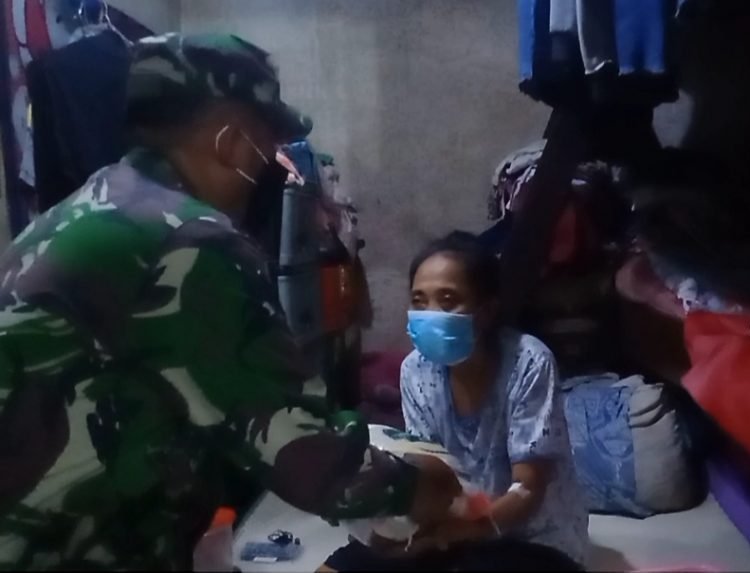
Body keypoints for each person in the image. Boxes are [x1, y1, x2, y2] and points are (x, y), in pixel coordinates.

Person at [0, 33, 461, 570]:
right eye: (269, 144)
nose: (271, 165)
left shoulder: (88, 207)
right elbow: (304, 455)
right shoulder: (190, 239)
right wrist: (421, 490)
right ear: (230, 142)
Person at [322, 232, 588, 571]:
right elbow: (429, 469)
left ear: (486, 311)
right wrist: (401, 525)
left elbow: (528, 490)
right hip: (451, 524)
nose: (430, 313)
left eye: (447, 301)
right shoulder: (416, 371)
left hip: (529, 536)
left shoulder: (529, 363)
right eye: (419, 301)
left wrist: (465, 531)